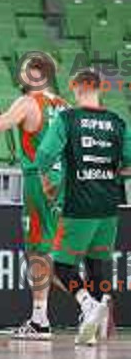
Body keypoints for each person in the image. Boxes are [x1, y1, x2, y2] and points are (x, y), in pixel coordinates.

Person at [0, 53, 68, 340]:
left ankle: (42, 319)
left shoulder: (28, 102)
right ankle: (89, 300)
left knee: (38, 251)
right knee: (55, 250)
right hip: (64, 181)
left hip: (39, 180)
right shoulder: (63, 105)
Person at [36, 68, 131, 345]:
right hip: (109, 206)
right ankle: (91, 331)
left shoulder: (69, 118)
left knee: (59, 266)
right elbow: (128, 163)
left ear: (77, 87)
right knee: (97, 267)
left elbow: (43, 154)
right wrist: (108, 171)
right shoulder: (118, 122)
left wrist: (46, 181)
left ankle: (87, 305)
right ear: (100, 88)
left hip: (78, 204)